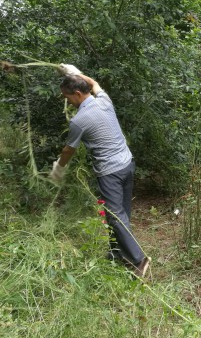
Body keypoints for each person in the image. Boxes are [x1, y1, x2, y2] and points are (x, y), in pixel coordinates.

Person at [49, 64, 151, 277]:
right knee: (122, 213)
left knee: (114, 216)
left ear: (78, 94)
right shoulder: (104, 101)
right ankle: (117, 253)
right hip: (127, 164)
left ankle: (139, 260)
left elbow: (68, 150)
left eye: (68, 97)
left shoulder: (79, 121)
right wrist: (76, 73)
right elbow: (94, 83)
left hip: (110, 172)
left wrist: (59, 168)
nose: (68, 101)